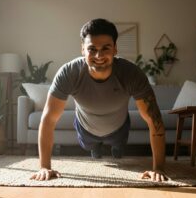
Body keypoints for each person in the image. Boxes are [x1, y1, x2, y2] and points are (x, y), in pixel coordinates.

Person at [30, 18, 168, 182]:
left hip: (119, 129)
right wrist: (44, 167)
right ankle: (95, 147)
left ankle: (115, 148)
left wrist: (158, 169)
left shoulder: (132, 74)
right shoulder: (68, 73)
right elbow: (48, 120)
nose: (99, 55)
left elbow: (155, 121)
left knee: (118, 148)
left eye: (106, 48)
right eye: (92, 49)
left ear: (115, 49)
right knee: (92, 147)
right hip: (85, 129)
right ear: (82, 49)